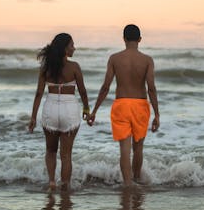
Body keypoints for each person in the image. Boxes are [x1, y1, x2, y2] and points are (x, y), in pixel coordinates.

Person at [87, 24, 159, 186]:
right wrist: (157, 114)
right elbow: (151, 88)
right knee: (138, 148)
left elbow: (106, 87)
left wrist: (94, 111)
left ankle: (127, 184)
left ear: (124, 39)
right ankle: (137, 179)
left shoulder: (115, 58)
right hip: (140, 105)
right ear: (140, 39)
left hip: (121, 105)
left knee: (124, 150)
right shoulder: (147, 60)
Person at [29, 33, 90, 191]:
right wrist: (86, 109)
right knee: (66, 155)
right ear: (64, 48)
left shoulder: (46, 67)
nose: (74, 48)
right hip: (69, 109)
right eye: (71, 45)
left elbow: (38, 93)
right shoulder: (74, 67)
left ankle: (51, 182)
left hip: (50, 107)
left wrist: (33, 117)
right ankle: (65, 186)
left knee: (50, 150)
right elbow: (82, 92)